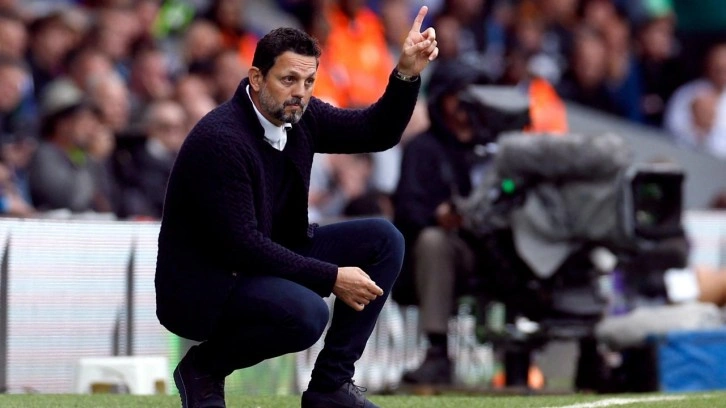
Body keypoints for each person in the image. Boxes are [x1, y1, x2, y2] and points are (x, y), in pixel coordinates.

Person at [155, 6, 438, 408]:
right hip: (205, 283)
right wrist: (331, 276)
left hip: (267, 254)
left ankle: (330, 386)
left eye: (308, 81)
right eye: (288, 79)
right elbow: (242, 245)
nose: (301, 92)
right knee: (307, 314)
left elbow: (376, 132)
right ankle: (204, 367)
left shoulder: (302, 115)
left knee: (383, 239)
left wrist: (406, 74)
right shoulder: (220, 139)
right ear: (256, 78)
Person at [392, 59, 488, 385]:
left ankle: (585, 348)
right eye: (459, 94)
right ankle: (436, 352)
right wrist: (438, 215)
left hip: (501, 244)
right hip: (457, 248)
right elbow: (406, 210)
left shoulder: (499, 146)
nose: (467, 102)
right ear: (441, 98)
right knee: (434, 242)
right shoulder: (422, 149)